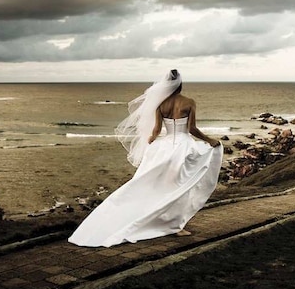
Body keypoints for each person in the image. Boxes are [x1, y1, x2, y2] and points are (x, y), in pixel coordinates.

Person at [68, 69, 223, 247]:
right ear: (180, 84)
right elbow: (192, 129)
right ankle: (175, 225)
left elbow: (156, 130)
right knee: (179, 187)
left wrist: (151, 142)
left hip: (164, 148)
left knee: (159, 187)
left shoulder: (160, 104)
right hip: (183, 147)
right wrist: (209, 140)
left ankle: (162, 220)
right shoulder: (188, 102)